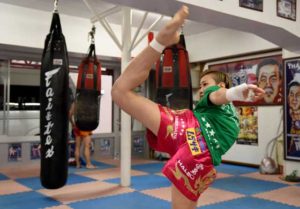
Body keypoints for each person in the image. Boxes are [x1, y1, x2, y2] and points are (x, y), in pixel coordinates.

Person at [111, 6, 265, 209]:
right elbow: (219, 95)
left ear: (219, 85)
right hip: (195, 142)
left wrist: (234, 93)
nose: (201, 91)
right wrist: (235, 93)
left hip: (185, 128)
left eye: (205, 84)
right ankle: (160, 42)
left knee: (120, 91)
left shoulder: (219, 102)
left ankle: (159, 43)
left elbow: (219, 95)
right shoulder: (219, 105)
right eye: (200, 86)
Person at [69, 102, 96, 169]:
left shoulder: (75, 103)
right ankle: (88, 164)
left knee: (77, 147)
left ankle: (78, 164)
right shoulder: (88, 102)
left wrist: (72, 124)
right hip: (86, 126)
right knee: (87, 146)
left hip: (77, 125)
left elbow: (69, 115)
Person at [287, 80, 300, 154]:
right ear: (288, 98)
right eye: (291, 94)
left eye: (298, 95)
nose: (294, 98)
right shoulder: (286, 119)